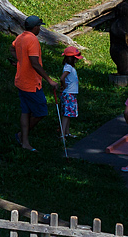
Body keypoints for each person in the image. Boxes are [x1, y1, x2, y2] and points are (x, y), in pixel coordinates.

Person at [10, 15, 54, 151]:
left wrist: (20, 60)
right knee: (41, 112)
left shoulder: (21, 37)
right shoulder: (33, 40)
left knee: (25, 111)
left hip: (20, 81)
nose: (40, 28)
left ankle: (24, 142)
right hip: (31, 84)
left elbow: (12, 48)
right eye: (39, 26)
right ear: (35, 27)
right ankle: (22, 135)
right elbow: (35, 63)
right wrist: (50, 80)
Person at [58, 45, 82, 138]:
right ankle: (62, 134)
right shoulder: (68, 67)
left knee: (68, 114)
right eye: (75, 58)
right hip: (69, 94)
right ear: (70, 58)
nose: (77, 60)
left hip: (71, 93)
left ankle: (67, 132)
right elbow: (62, 78)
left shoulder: (70, 67)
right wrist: (64, 86)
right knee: (66, 115)